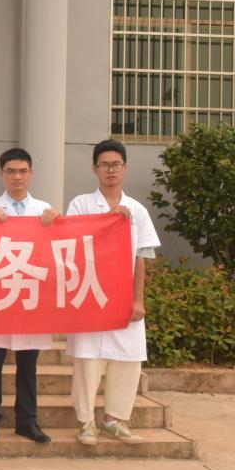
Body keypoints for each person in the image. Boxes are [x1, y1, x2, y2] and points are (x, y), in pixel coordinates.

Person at [66, 139, 160, 446]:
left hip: (123, 299)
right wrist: (107, 222)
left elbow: (142, 256)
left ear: (125, 168)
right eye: (104, 165)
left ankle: (114, 420)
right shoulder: (81, 204)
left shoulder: (137, 210)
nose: (110, 170)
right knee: (88, 361)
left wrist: (138, 299)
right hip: (90, 295)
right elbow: (73, 244)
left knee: (127, 361)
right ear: (95, 169)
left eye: (116, 164)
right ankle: (86, 422)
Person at [0, 148, 59, 444]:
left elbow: (60, 247)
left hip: (31, 295)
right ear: (2, 174)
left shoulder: (44, 209)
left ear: (31, 173)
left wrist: (58, 222)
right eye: (11, 171)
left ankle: (27, 421)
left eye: (22, 171)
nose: (17, 177)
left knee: (28, 364)